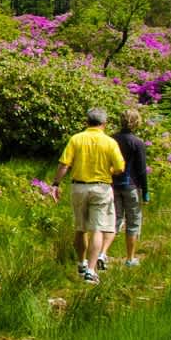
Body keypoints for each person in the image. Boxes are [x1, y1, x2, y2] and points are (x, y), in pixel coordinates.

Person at [53, 106, 126, 283]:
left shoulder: (76, 139)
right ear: (104, 123)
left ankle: (81, 263)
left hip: (79, 187)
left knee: (80, 228)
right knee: (97, 229)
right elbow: (120, 168)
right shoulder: (110, 142)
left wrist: (55, 184)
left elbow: (64, 164)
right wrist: (108, 170)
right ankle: (91, 271)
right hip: (101, 187)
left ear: (87, 122)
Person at [111, 114, 150, 268]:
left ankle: (102, 254)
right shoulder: (137, 142)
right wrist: (145, 191)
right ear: (137, 123)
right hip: (131, 185)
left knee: (114, 220)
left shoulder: (111, 139)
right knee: (133, 222)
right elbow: (141, 170)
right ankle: (130, 258)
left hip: (112, 184)